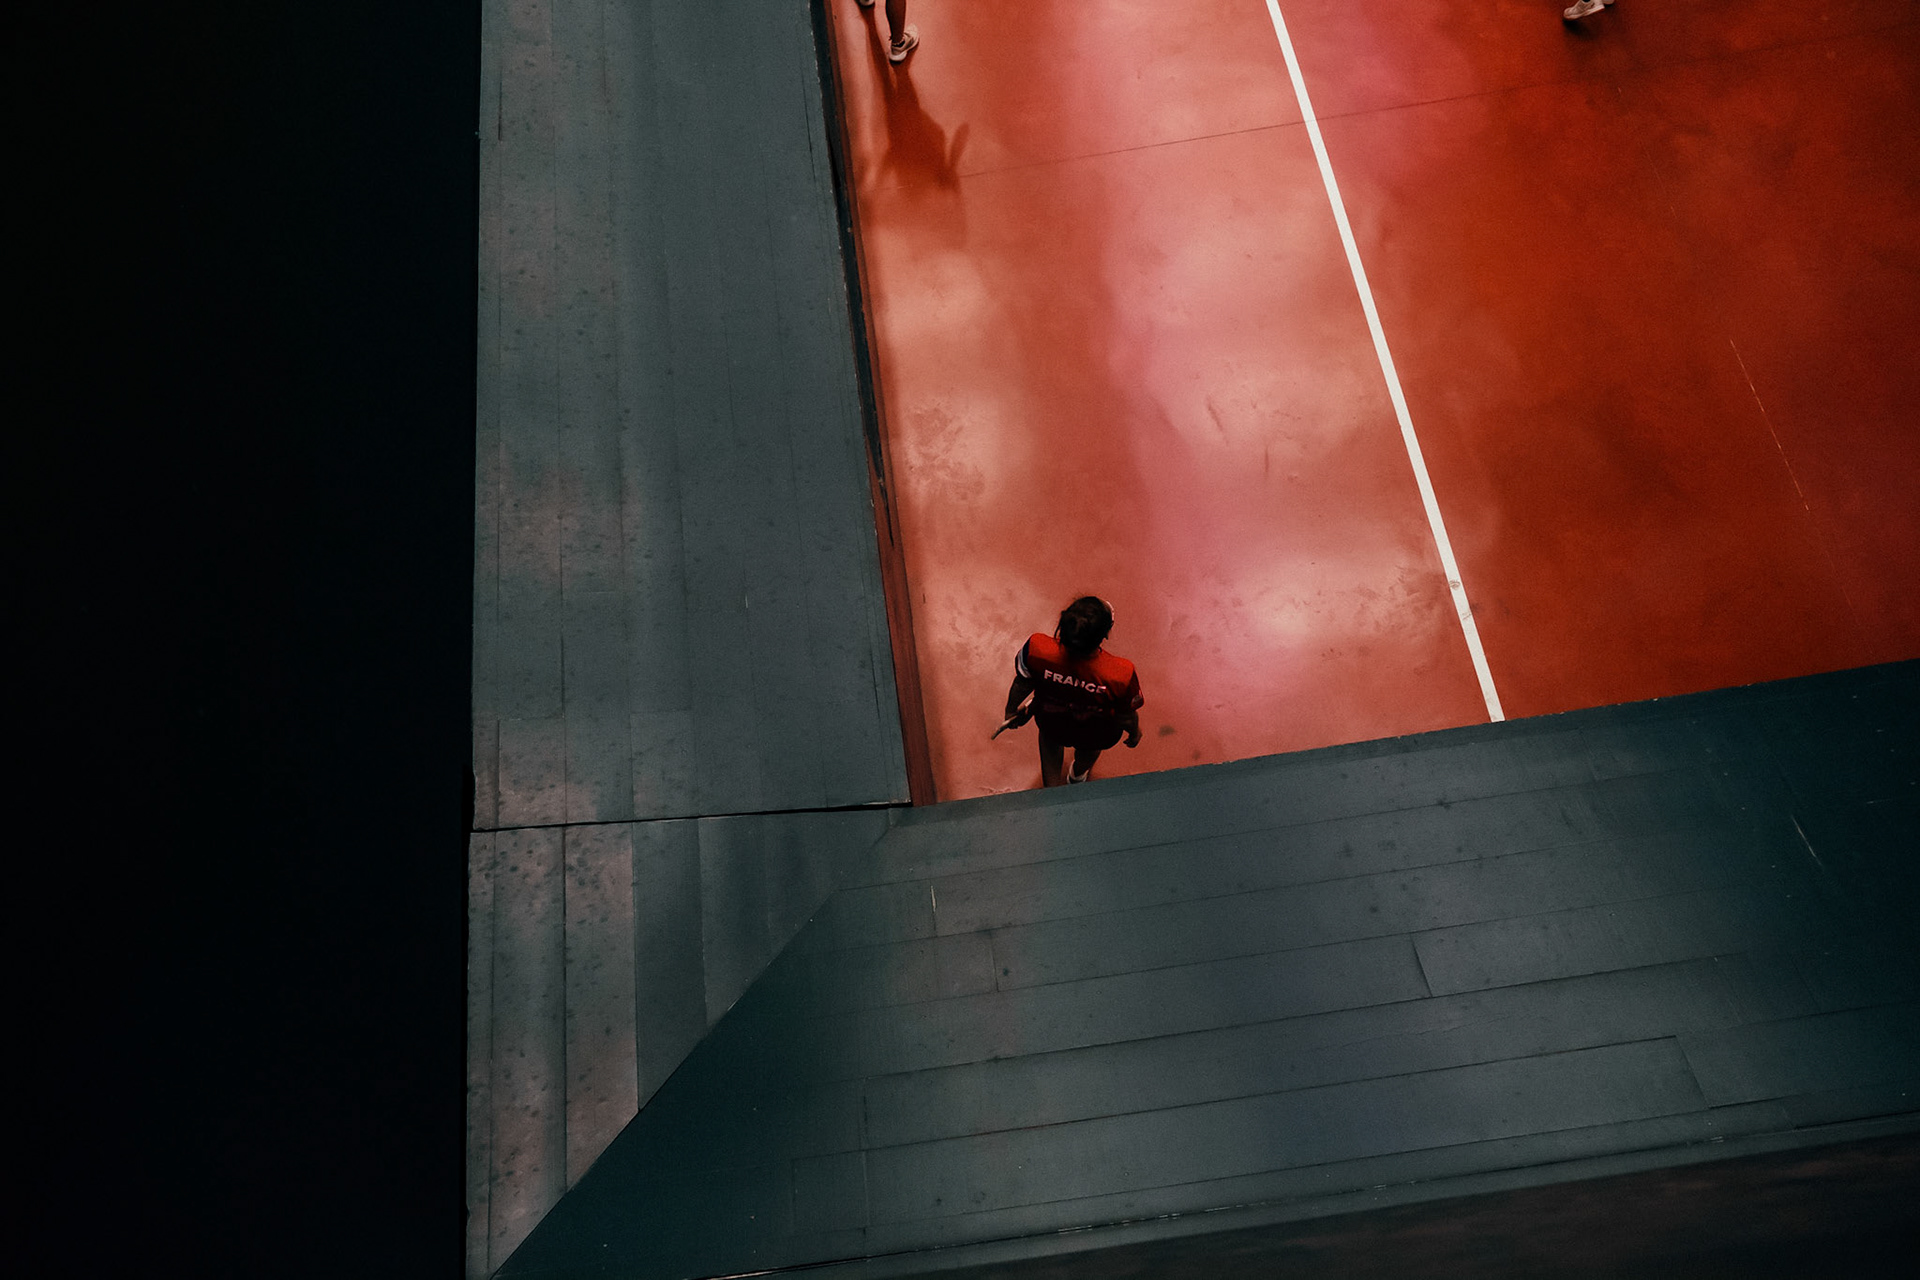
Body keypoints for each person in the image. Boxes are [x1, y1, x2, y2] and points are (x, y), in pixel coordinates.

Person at [1001, 597, 1144, 787]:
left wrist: (1011, 711)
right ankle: (1077, 778)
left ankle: (1052, 793)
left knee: (1050, 744)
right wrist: (1134, 732)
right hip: (1096, 731)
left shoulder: (1036, 649)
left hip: (1052, 721)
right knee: (1089, 750)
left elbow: (1022, 684)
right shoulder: (1120, 673)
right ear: (1106, 634)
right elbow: (1126, 716)